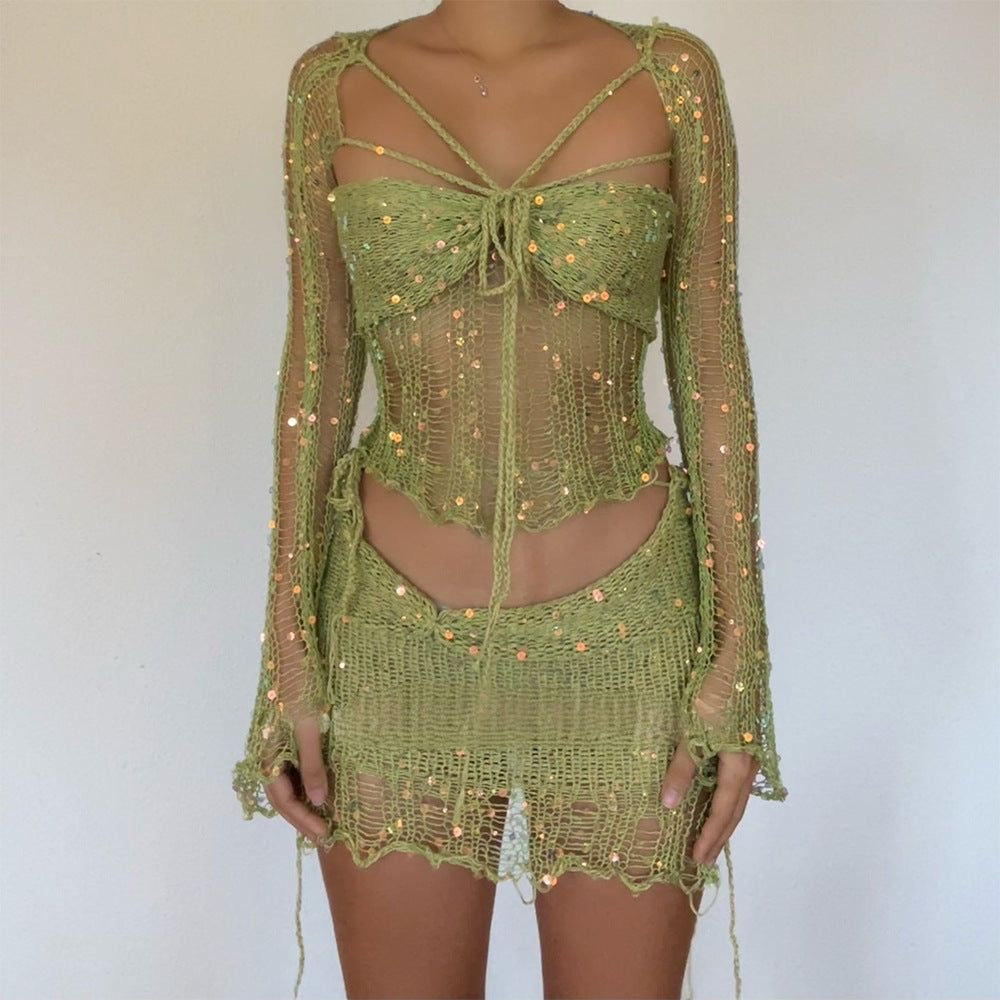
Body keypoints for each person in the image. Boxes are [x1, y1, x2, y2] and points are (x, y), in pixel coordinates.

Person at [232, 3, 787, 998]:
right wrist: (289, 655)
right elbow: (317, 372)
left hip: (633, 648)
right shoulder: (334, 84)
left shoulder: (669, 75)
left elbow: (713, 369)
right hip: (388, 647)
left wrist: (739, 656)